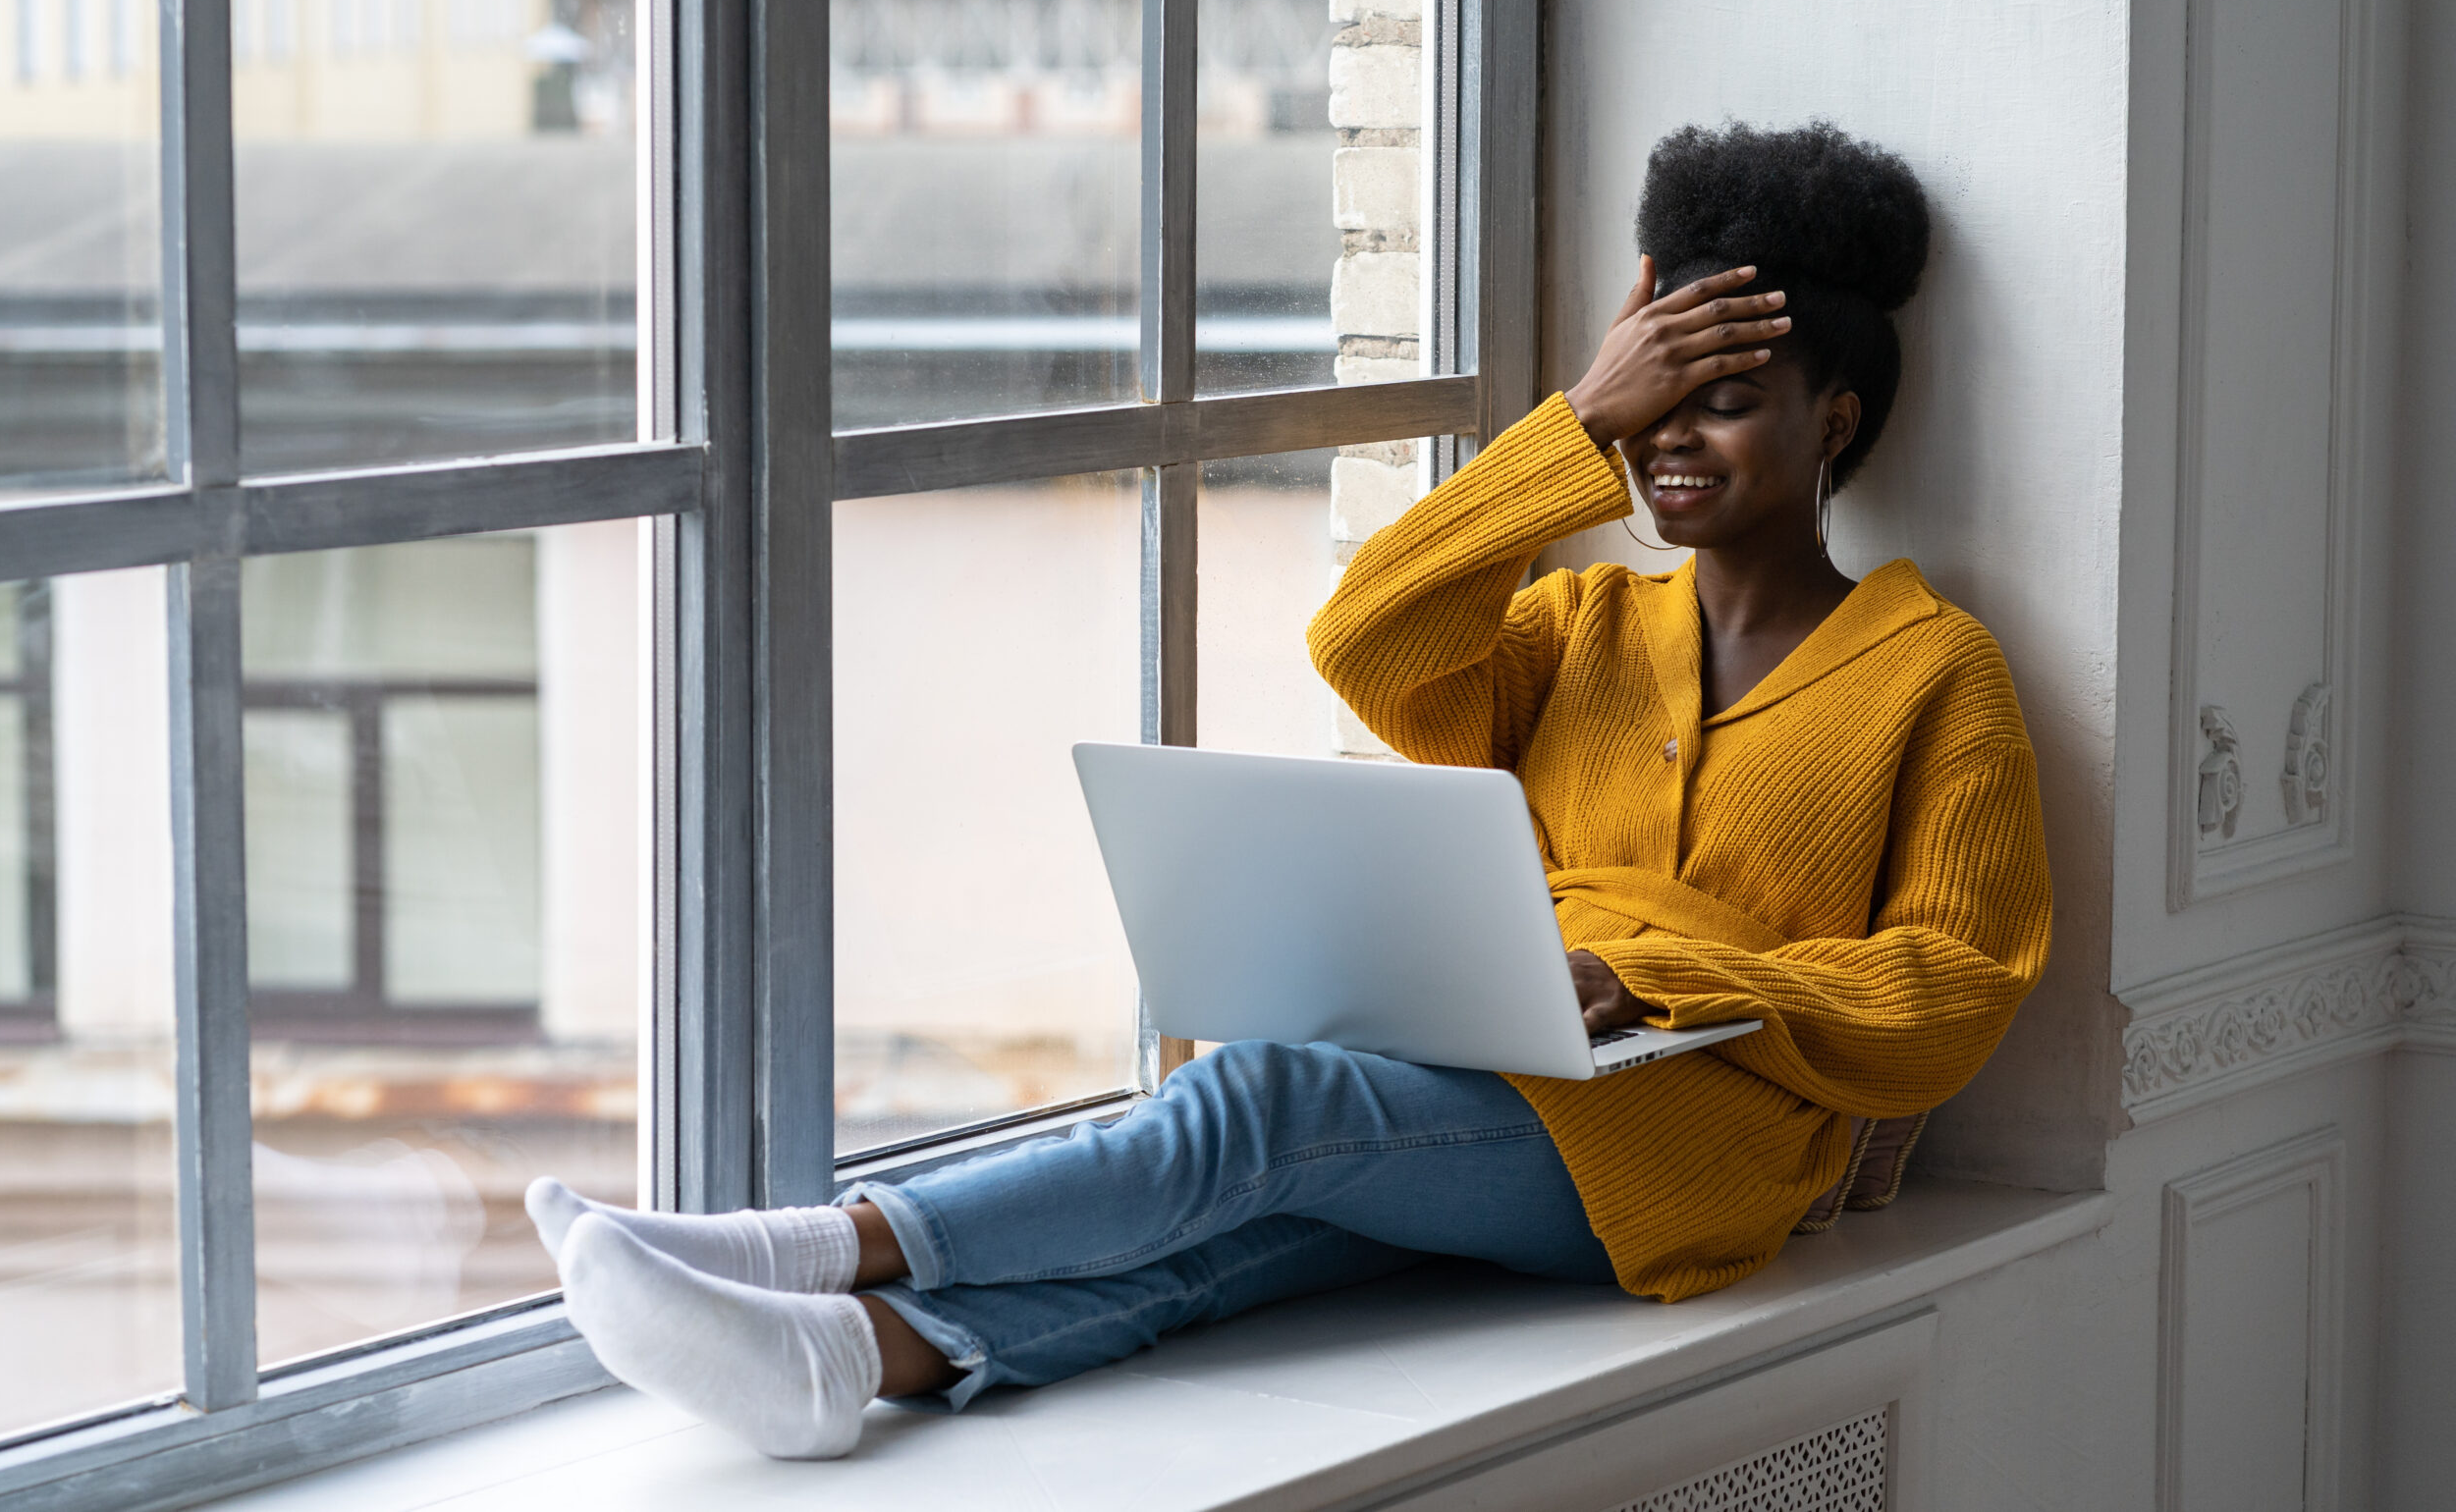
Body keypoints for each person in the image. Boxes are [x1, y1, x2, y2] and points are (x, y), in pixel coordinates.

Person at [523, 120, 2053, 1460]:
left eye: (1720, 400)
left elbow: (1957, 987)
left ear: (1836, 420)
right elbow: (1367, 637)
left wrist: (1651, 981)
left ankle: (809, 1246)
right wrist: (1572, 423)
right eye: (1653, 406)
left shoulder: (1936, 671)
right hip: (1500, 1086)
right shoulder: (1579, 627)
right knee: (1253, 1234)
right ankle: (845, 1361)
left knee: (1261, 1099)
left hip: (1706, 1142)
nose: (1671, 443)